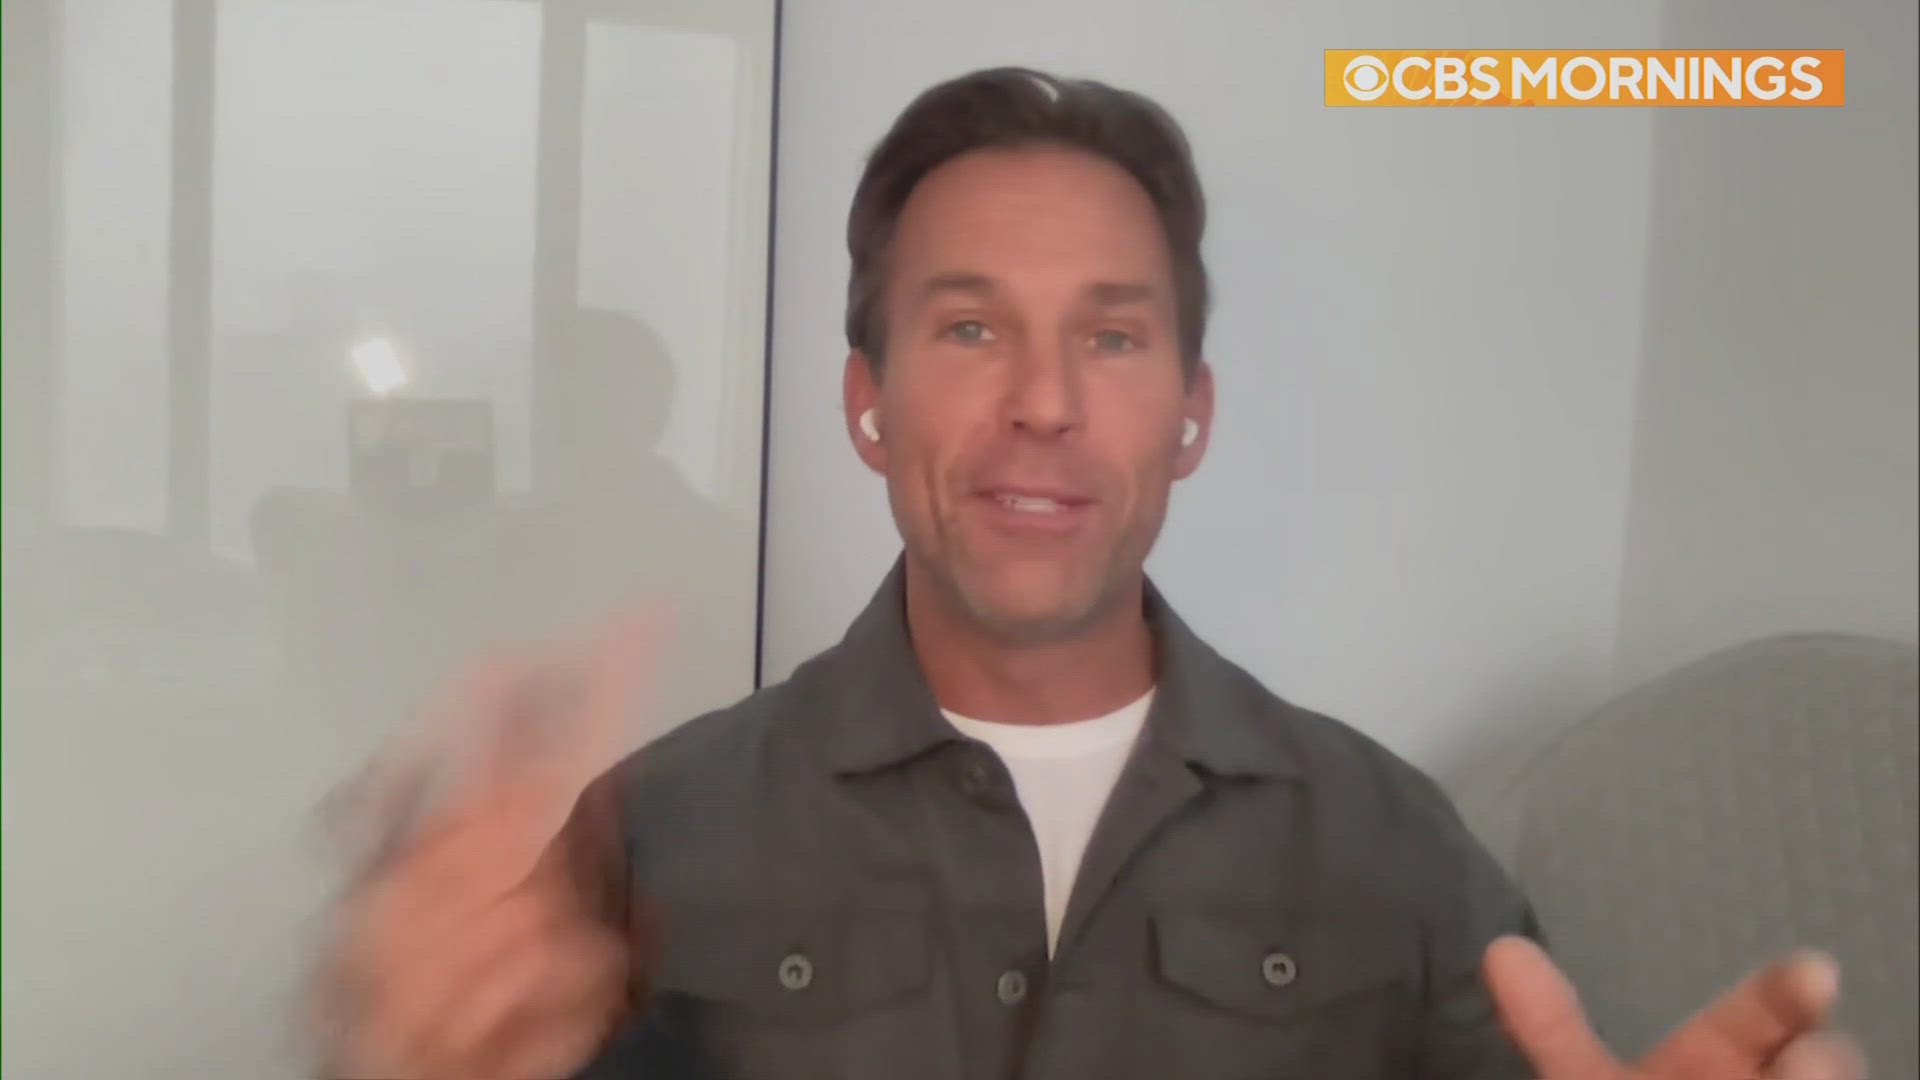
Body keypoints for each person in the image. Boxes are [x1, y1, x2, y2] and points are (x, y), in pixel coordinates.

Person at [321, 68, 1864, 1080]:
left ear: (1192, 415)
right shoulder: (656, 831)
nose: (1045, 401)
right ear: (868, 404)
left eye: (1113, 336)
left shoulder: (1396, 850)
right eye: (970, 327)